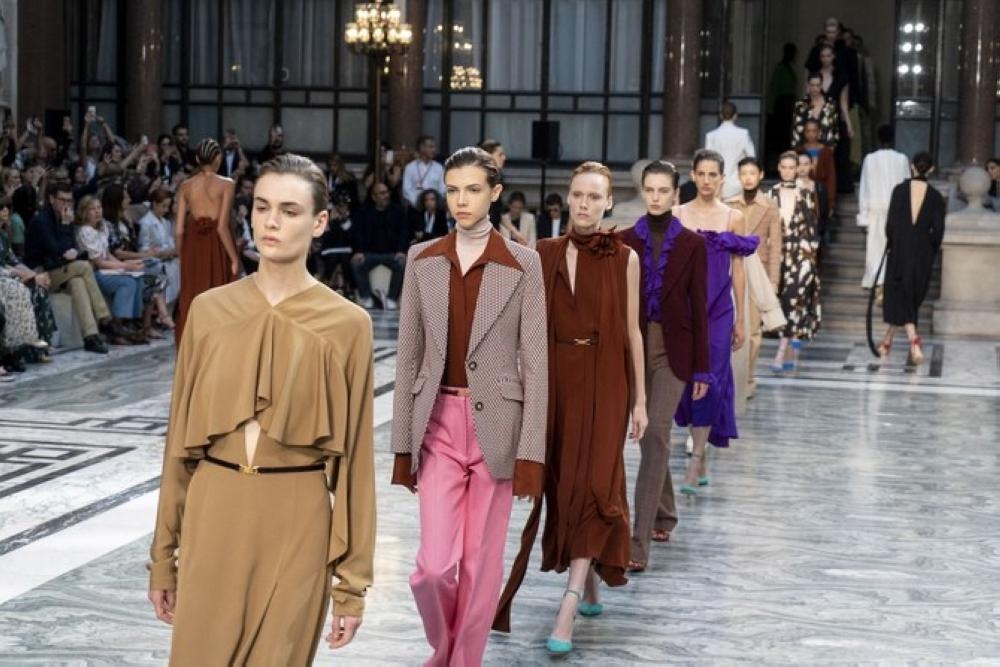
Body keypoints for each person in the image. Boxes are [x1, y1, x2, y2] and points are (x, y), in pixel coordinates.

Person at [148, 154, 375, 664]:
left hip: (298, 521)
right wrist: (163, 559)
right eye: (262, 207)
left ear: (319, 222)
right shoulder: (208, 311)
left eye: (290, 211)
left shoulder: (347, 325)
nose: (271, 222)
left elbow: (357, 464)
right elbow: (178, 445)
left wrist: (352, 585)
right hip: (214, 510)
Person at [391, 146, 547, 666]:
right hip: (437, 422)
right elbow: (409, 356)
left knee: (481, 566)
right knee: (433, 569)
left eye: (473, 189)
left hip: (498, 429)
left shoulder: (523, 263)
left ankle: (463, 662)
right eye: (453, 189)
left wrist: (531, 455)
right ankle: (445, 650)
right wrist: (402, 446)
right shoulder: (422, 259)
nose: (461, 200)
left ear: (495, 193)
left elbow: (537, 364)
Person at [496, 161, 646, 657]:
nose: (584, 204)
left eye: (594, 196)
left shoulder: (625, 258)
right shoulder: (543, 253)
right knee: (565, 486)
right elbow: (521, 325)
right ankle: (589, 580)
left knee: (596, 483)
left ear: (609, 203)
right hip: (556, 382)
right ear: (568, 198)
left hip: (607, 381)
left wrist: (641, 400)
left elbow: (633, 332)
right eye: (578, 194)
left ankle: (570, 601)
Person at [619, 160, 709, 571]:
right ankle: (665, 512)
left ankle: (638, 543)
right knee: (651, 438)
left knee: (655, 432)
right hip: (633, 348)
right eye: (649, 189)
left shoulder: (692, 245)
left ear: (675, 194)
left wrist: (703, 368)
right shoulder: (623, 242)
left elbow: (698, 308)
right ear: (643, 191)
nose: (655, 197)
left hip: (674, 351)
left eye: (663, 190)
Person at [673, 149, 757, 495]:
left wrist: (741, 319)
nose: (707, 180)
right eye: (702, 174)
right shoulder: (678, 214)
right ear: (693, 176)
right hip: (685, 310)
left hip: (720, 310)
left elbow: (739, 269)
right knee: (684, 380)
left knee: (712, 379)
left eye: (713, 175)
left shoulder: (733, 217)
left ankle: (696, 458)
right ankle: (700, 447)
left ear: (722, 179)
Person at [23, 182, 117, 353]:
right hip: (39, 275)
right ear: (51, 199)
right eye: (62, 200)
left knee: (77, 282)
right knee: (84, 266)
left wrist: (67, 236)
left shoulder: (64, 217)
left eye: (69, 200)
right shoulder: (41, 221)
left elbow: (71, 249)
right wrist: (66, 226)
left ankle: (90, 336)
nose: (66, 204)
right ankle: (105, 318)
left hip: (60, 270)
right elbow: (58, 249)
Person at [878, 152, 945, 365]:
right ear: (932, 169)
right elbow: (938, 231)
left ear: (912, 166)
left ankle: (912, 341)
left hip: (899, 249)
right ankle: (894, 339)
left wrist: (895, 242)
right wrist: (929, 249)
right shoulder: (936, 197)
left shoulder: (899, 191)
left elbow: (890, 225)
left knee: (901, 294)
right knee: (909, 296)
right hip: (922, 253)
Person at [173, 138, 240, 346]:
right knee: (218, 294)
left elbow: (179, 229)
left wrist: (181, 253)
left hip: (192, 245)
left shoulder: (186, 186)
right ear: (218, 158)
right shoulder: (227, 184)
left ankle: (192, 347)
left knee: (192, 294)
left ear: (197, 158)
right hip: (217, 244)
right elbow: (222, 226)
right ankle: (217, 347)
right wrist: (234, 258)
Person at [724, 157, 781, 398]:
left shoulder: (770, 206)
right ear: (739, 176)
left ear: (761, 175)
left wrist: (774, 281)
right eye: (744, 173)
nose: (748, 178)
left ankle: (747, 380)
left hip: (759, 274)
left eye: (752, 173)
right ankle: (732, 378)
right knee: (730, 326)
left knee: (754, 331)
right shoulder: (728, 204)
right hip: (732, 269)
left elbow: (776, 244)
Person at [768, 152, 821, 370]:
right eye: (785, 167)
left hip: (801, 255)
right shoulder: (770, 194)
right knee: (784, 301)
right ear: (779, 168)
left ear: (797, 168)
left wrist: (811, 259)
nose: (788, 171)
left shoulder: (806, 194)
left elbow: (813, 228)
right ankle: (789, 346)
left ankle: (781, 351)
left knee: (793, 298)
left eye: (792, 167)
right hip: (778, 255)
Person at [858, 125, 910, 292]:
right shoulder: (902, 159)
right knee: (893, 247)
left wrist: (863, 216)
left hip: (875, 210)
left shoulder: (870, 159)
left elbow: (864, 189)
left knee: (875, 248)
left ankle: (876, 279)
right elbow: (907, 188)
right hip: (895, 210)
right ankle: (889, 279)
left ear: (878, 139)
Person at [137, 188, 181, 311]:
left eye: (167, 206)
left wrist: (171, 251)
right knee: (168, 271)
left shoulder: (165, 222)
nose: (166, 210)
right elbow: (144, 248)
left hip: (168, 257)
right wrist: (160, 253)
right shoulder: (145, 223)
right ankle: (164, 310)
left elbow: (169, 243)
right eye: (163, 206)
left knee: (179, 265)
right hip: (153, 260)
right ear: (155, 204)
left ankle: (173, 308)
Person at [705, 101, 756, 200]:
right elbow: (751, 157)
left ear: (721, 115)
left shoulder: (711, 136)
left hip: (717, 182)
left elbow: (707, 161)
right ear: (735, 115)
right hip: (738, 182)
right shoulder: (743, 134)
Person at [795, 118, 837, 210]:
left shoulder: (826, 152)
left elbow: (831, 176)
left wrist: (830, 199)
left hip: (821, 193)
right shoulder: (799, 151)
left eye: (814, 131)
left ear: (819, 132)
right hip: (802, 192)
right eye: (808, 131)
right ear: (804, 133)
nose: (811, 134)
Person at [790, 74, 840, 149]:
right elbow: (795, 129)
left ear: (821, 85)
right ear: (808, 85)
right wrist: (796, 149)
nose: (815, 88)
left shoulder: (830, 105)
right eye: (812, 85)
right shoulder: (800, 105)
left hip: (826, 148)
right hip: (804, 149)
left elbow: (835, 128)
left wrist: (832, 147)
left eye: (817, 85)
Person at [402, 135, 445, 207]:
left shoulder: (439, 168)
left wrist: (434, 203)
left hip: (434, 207)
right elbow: (406, 190)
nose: (434, 150)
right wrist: (418, 203)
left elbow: (442, 189)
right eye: (431, 147)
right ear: (422, 148)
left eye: (434, 147)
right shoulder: (410, 167)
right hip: (415, 206)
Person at [479, 139, 507, 228]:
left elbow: (498, 212)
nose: (504, 158)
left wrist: (515, 231)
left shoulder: (498, 177)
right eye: (500, 155)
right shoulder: (479, 178)